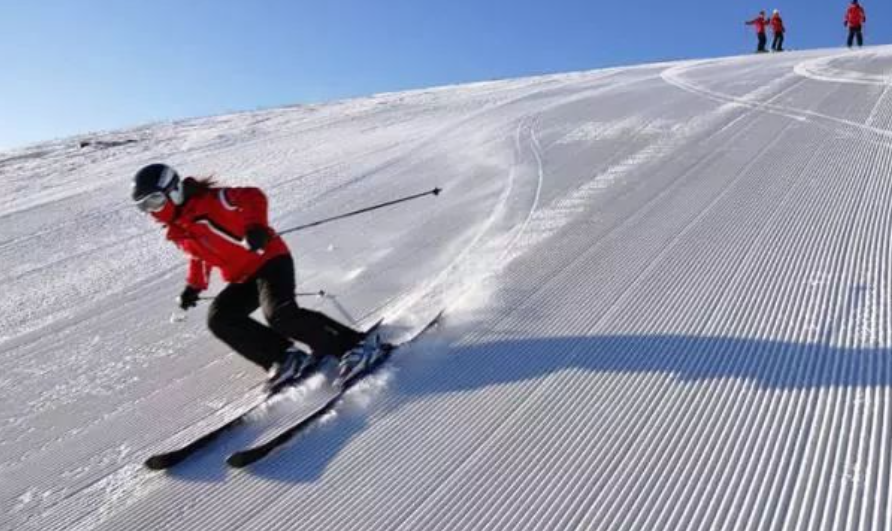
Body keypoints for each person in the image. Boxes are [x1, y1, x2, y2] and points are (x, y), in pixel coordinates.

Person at [131, 163, 378, 388]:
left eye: (155, 200)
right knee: (220, 319)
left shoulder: (212, 200)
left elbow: (252, 196)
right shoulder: (180, 229)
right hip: (243, 277)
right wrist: (193, 287)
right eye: (144, 206)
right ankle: (284, 357)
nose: (152, 211)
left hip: (270, 259)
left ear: (174, 191)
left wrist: (255, 227)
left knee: (280, 315)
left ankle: (354, 346)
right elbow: (199, 257)